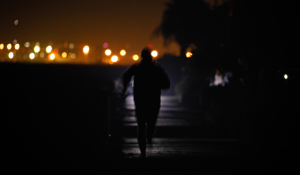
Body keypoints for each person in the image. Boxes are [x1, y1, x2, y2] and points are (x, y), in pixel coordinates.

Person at [121, 47, 170, 158]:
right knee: (149, 123)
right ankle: (148, 138)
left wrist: (124, 89)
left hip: (140, 100)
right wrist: (157, 85)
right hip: (153, 100)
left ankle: (143, 151)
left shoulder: (137, 67)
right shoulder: (157, 68)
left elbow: (126, 76)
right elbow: (167, 84)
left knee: (141, 125)